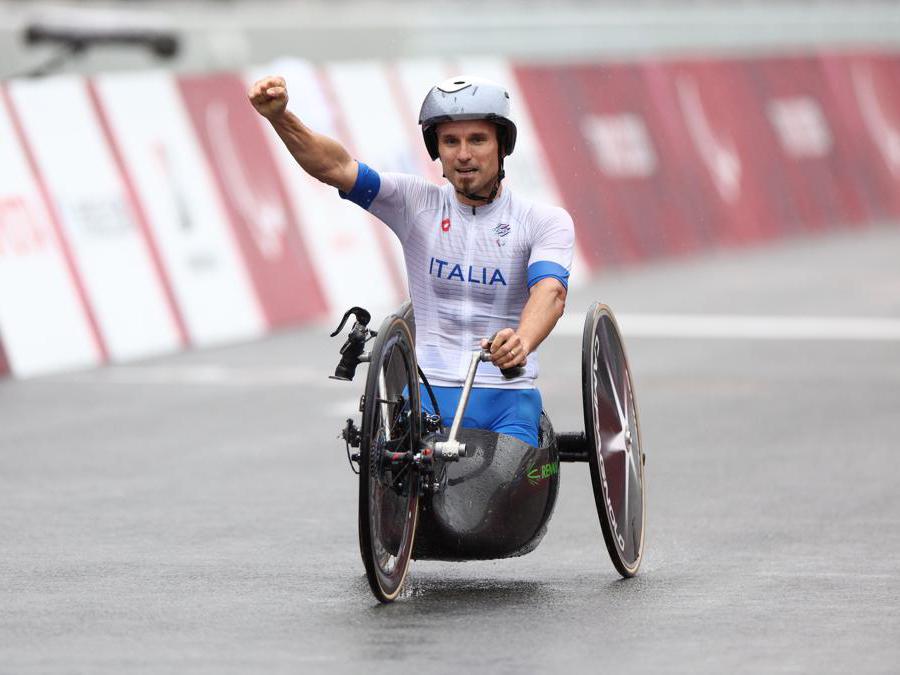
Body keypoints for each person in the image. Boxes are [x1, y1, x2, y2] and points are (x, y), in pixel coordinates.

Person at [248, 74, 574, 447]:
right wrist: (280, 117)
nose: (463, 154)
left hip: (508, 401)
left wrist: (522, 340)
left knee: (489, 501)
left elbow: (550, 293)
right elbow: (336, 167)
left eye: (478, 140)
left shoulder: (544, 221)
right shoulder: (415, 203)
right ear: (437, 150)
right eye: (450, 141)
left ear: (503, 146)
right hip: (425, 399)